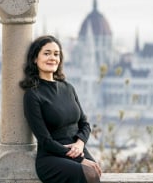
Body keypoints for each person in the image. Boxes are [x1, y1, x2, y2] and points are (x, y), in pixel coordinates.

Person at [19, 35, 101, 183]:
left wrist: (80, 144)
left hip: (77, 148)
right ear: (35, 59)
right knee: (90, 174)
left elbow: (84, 124)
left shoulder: (68, 88)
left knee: (95, 171)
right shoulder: (33, 95)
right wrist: (78, 157)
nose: (52, 58)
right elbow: (44, 140)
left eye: (56, 54)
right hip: (52, 156)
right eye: (46, 53)